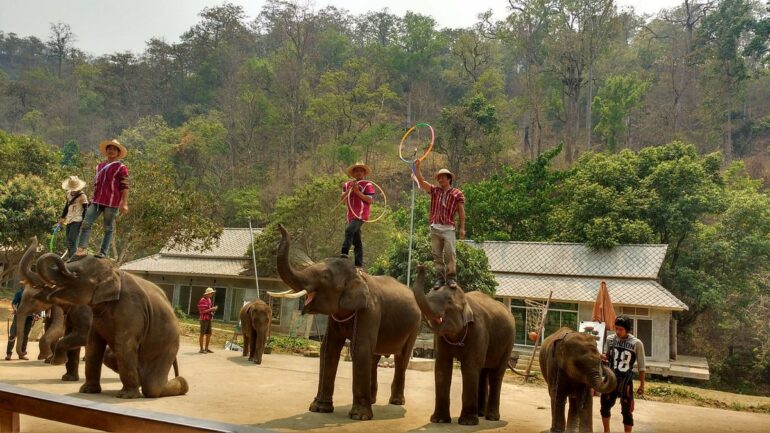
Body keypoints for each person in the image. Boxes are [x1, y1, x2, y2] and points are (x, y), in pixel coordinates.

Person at [71, 138, 129, 261]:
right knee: (86, 223)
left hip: (111, 202)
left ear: (118, 153)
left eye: (114, 149)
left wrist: (124, 203)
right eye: (109, 149)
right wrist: (92, 196)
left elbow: (125, 186)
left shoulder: (121, 167)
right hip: (97, 201)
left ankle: (103, 252)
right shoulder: (99, 166)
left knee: (108, 228)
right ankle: (82, 248)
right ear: (106, 151)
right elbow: (97, 184)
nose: (111, 151)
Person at [413, 159, 466, 288]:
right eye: (439, 178)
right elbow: (421, 181)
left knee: (450, 253)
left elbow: (461, 212)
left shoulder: (457, 193)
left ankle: (451, 277)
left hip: (448, 228)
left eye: (443, 178)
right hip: (435, 227)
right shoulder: (435, 191)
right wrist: (417, 168)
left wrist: (462, 228)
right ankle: (440, 279)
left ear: (449, 179)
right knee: (437, 255)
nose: (440, 180)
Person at [600, 315, 646, 433]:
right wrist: (602, 357)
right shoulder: (610, 339)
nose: (617, 332)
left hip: (625, 381)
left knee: (627, 411)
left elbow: (642, 367)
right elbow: (607, 356)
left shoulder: (637, 343)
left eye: (621, 329)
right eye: (616, 328)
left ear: (628, 330)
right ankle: (606, 431)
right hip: (611, 378)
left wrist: (642, 385)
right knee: (604, 406)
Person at [339, 161, 375, 269]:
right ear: (353, 173)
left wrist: (357, 192)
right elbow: (342, 199)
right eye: (356, 171)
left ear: (364, 173)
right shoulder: (347, 184)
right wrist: (350, 190)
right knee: (356, 239)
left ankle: (344, 254)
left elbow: (370, 200)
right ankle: (359, 264)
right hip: (350, 215)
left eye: (361, 171)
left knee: (349, 230)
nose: (358, 173)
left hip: (361, 215)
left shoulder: (367, 184)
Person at [58, 176, 89, 259]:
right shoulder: (68, 194)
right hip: (69, 220)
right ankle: (70, 258)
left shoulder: (82, 196)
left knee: (72, 241)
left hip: (77, 220)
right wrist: (62, 217)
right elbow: (66, 206)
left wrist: (84, 222)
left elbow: (86, 210)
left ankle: (73, 259)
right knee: (68, 241)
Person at [5, 287, 39, 361]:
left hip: (29, 317)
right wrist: (14, 309)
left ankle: (21, 354)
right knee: (13, 334)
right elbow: (14, 303)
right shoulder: (21, 292)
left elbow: (37, 306)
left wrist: (37, 314)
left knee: (25, 336)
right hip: (19, 316)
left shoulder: (36, 293)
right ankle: (9, 353)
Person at [198, 287, 218, 354]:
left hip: (208, 318)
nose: (212, 295)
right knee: (202, 334)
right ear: (207, 294)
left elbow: (208, 309)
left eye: (212, 293)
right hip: (203, 319)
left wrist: (212, 311)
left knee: (209, 334)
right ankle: (201, 349)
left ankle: (206, 348)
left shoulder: (209, 300)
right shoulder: (202, 300)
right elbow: (202, 311)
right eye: (211, 293)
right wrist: (212, 309)